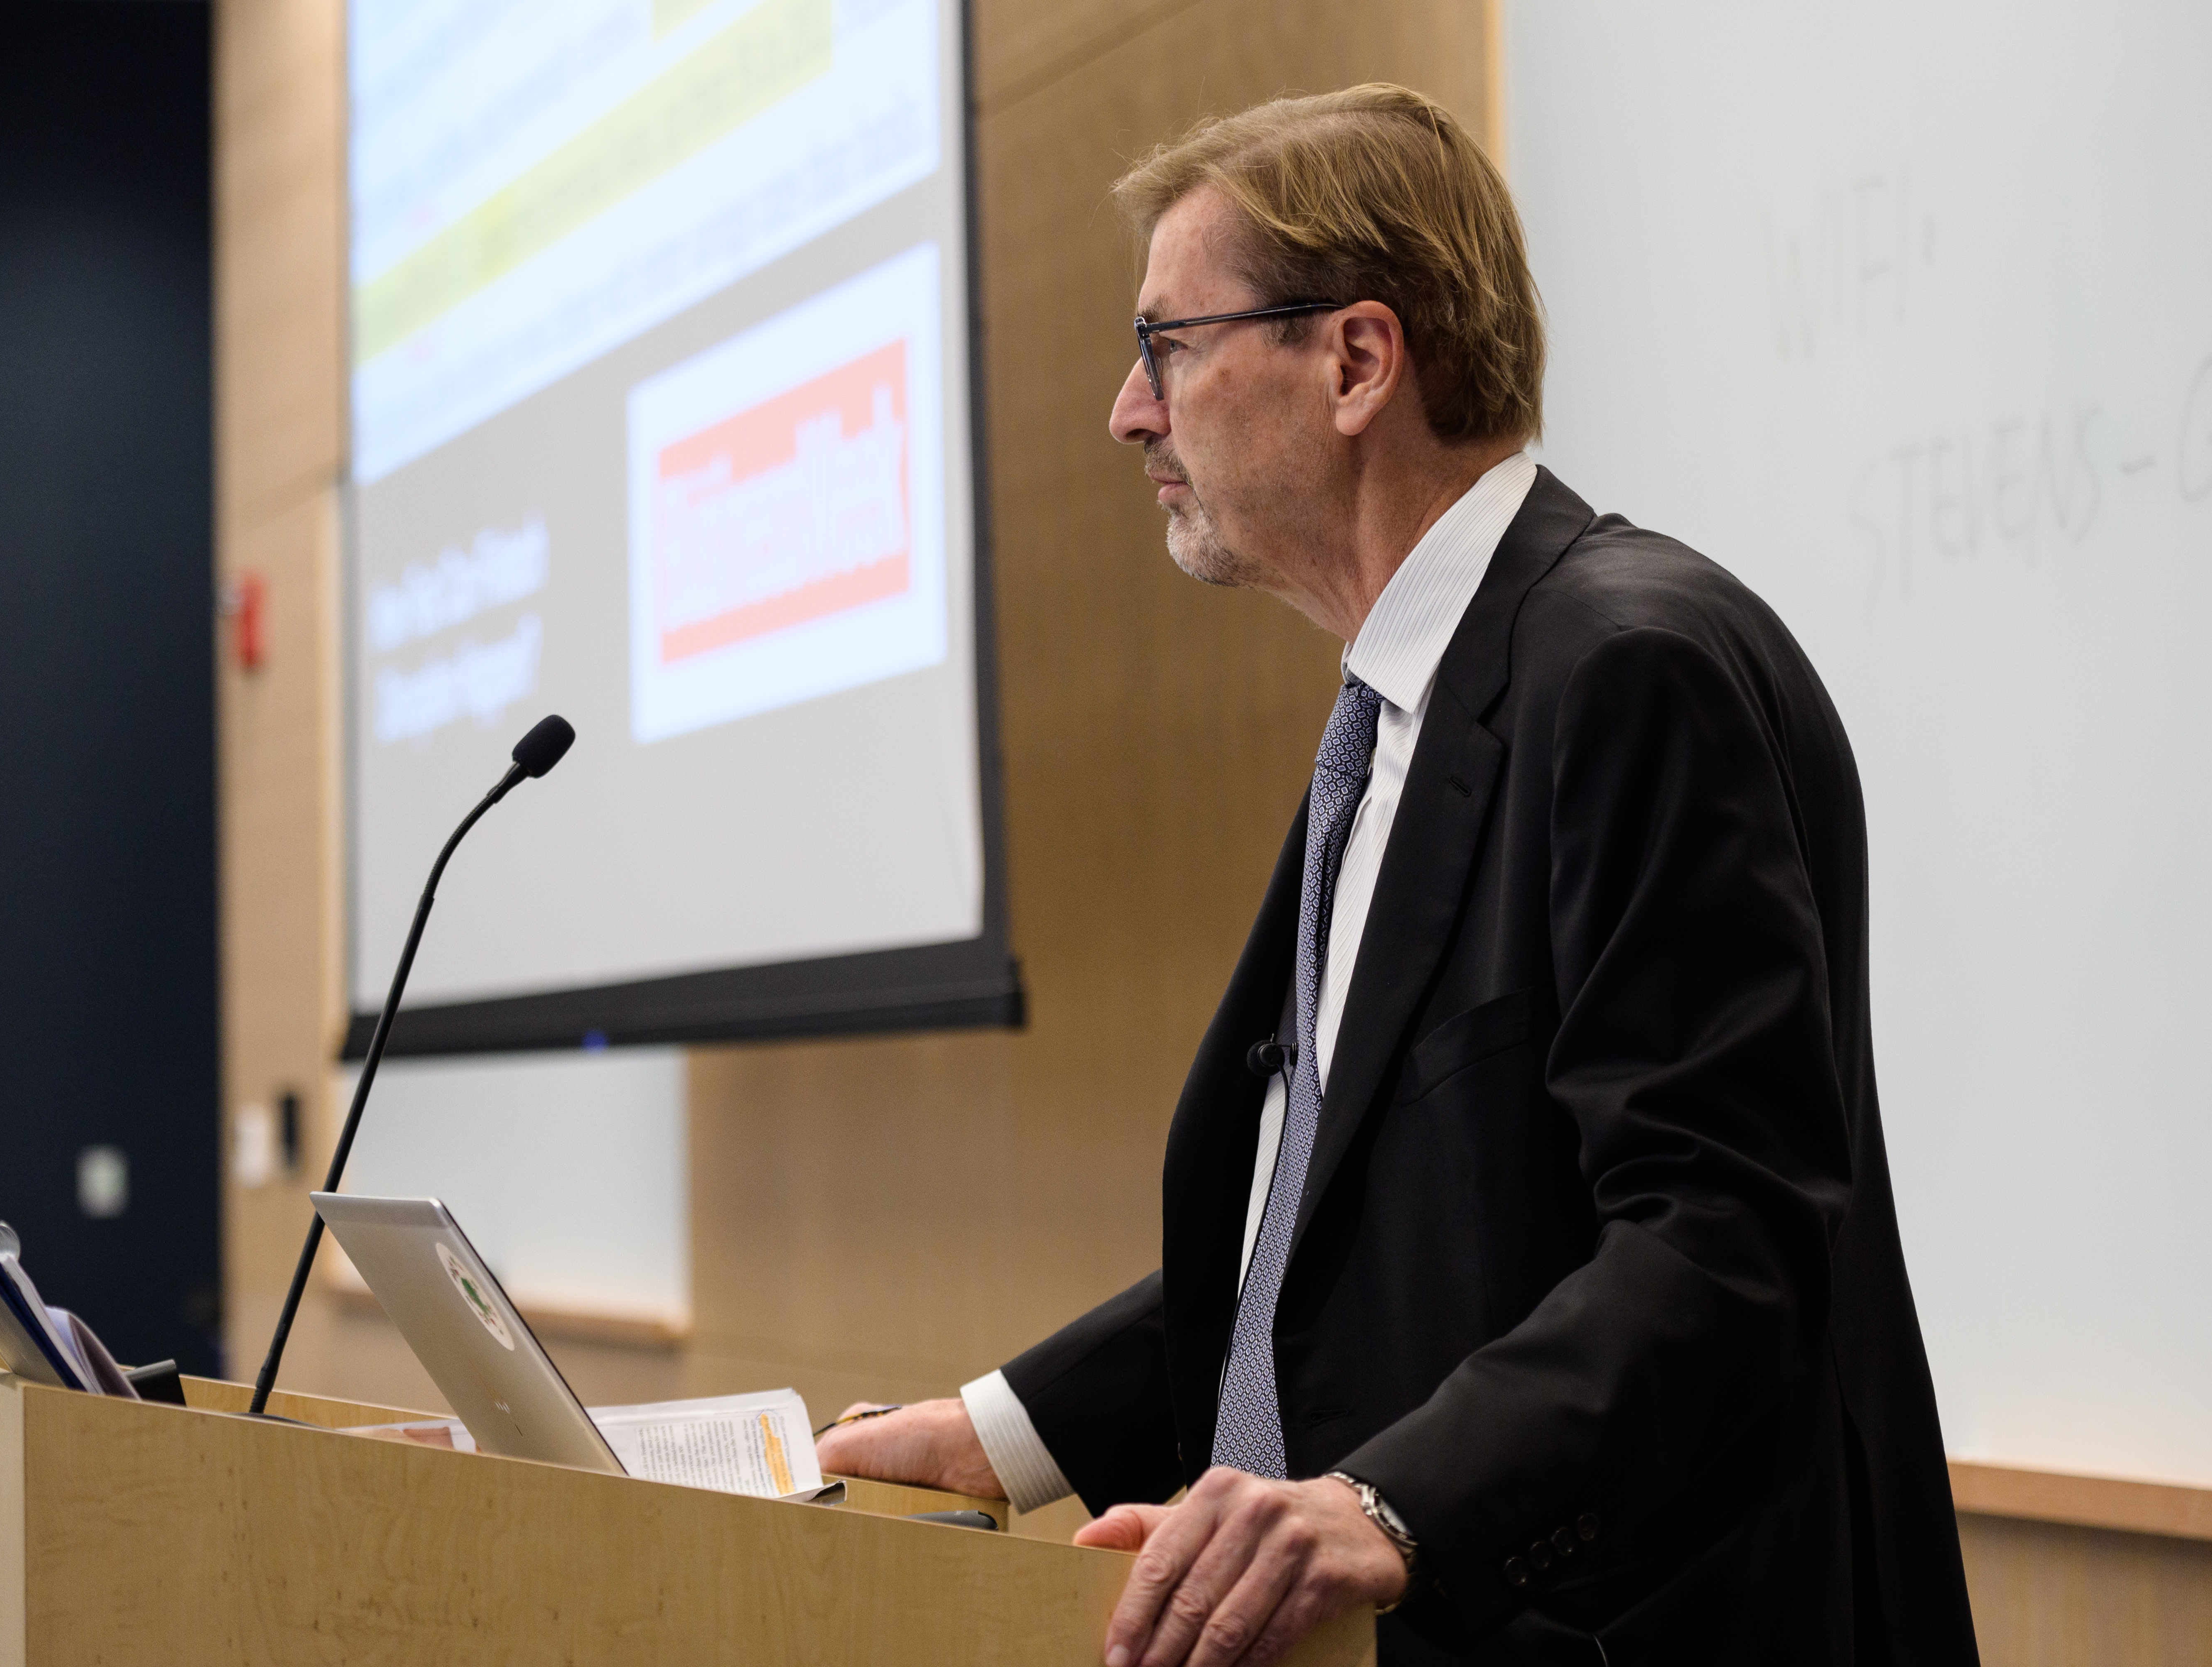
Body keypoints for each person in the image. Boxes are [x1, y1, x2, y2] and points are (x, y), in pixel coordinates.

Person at [818, 84, 1979, 1666]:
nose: (1130, 412)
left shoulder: (1629, 667)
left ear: (1358, 361)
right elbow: (1348, 1236)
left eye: (1168, 345)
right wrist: (1000, 1433)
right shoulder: (1403, 713)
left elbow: (1725, 1238)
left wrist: (1391, 1504)